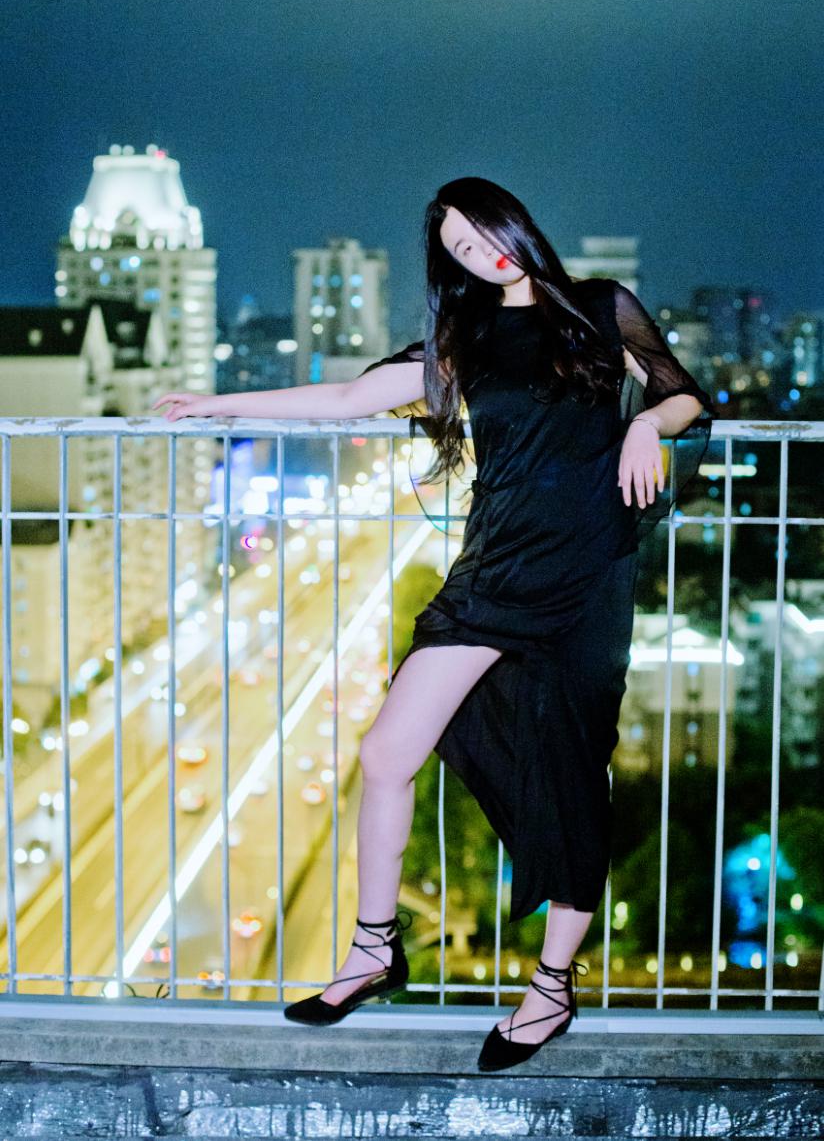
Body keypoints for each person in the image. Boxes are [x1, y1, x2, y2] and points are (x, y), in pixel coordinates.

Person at [152, 176, 717, 1073]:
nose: (478, 256)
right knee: (386, 753)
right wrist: (216, 407)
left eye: (482, 235)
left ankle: (552, 988)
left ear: (515, 225)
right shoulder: (467, 341)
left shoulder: (602, 308)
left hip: (585, 577)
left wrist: (648, 423)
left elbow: (687, 395)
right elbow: (348, 399)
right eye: (457, 251)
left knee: (573, 777)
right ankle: (374, 952)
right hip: (494, 572)